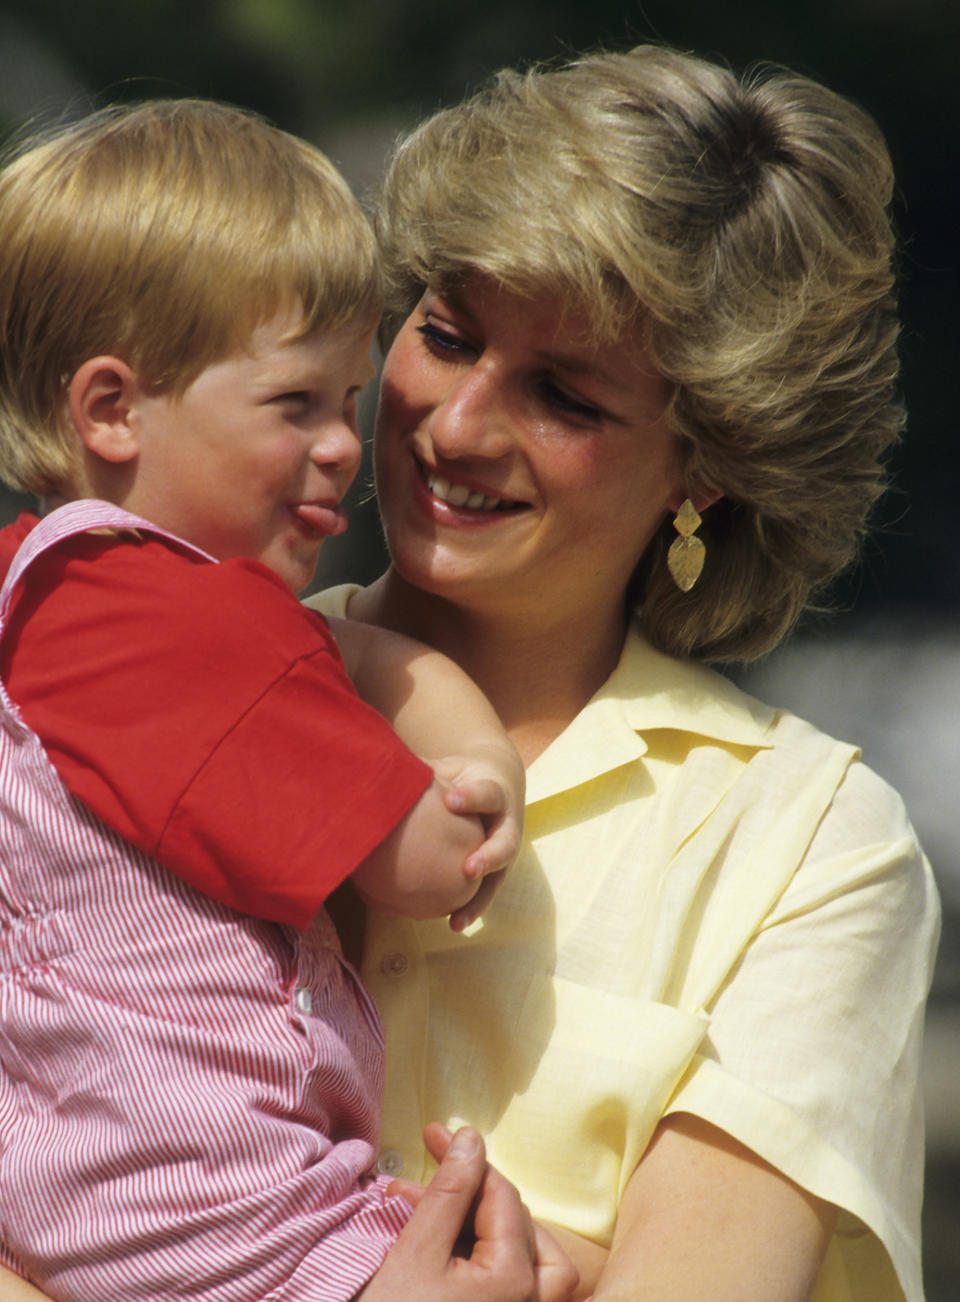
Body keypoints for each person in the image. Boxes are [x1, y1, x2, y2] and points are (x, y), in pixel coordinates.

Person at [295, 44, 938, 1302]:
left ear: (710, 465)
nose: (460, 424)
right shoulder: (136, 690)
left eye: (565, 396)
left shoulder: (811, 846)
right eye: (446, 332)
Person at [0, 99, 575, 1302]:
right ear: (111, 409)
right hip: (227, 1234)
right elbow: (423, 862)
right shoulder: (190, 632)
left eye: (348, 400)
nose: (342, 448)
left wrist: (466, 738)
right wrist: (474, 792)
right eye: (293, 404)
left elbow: (346, 656)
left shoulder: (48, 596)